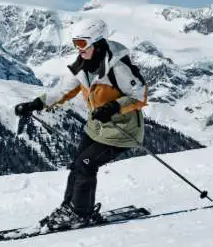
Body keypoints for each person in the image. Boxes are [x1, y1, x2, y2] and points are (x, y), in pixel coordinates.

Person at [14, 17, 149, 230]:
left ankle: (80, 213)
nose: (78, 49)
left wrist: (114, 107)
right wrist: (35, 104)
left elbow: (139, 95)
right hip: (96, 127)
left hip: (121, 130)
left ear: (96, 43)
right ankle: (70, 208)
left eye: (81, 44)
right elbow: (62, 91)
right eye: (75, 43)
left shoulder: (118, 66)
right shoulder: (82, 66)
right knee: (77, 164)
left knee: (86, 163)